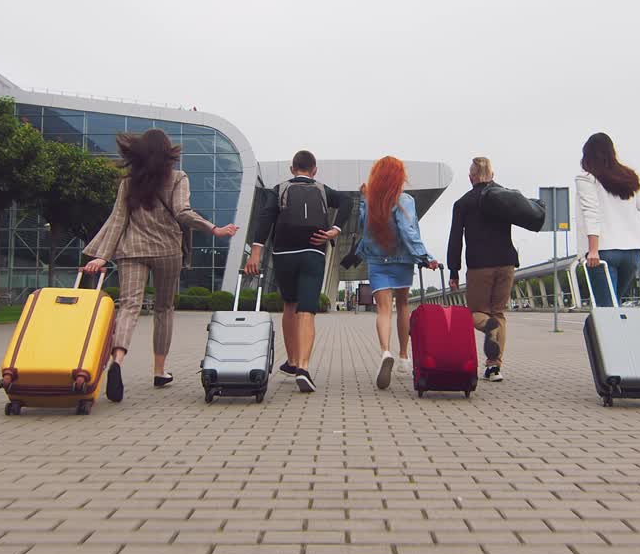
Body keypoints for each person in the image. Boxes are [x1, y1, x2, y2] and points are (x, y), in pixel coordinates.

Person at [84, 129, 239, 401]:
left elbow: (117, 220)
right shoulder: (178, 178)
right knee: (164, 309)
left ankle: (117, 360)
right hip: (168, 251)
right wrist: (212, 228)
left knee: (130, 306)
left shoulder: (128, 184)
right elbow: (182, 212)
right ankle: (159, 370)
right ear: (168, 152)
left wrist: (103, 256)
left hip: (132, 251)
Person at [246, 150, 353, 393]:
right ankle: (303, 367)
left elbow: (265, 219)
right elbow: (347, 201)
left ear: (292, 168)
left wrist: (256, 252)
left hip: (284, 254)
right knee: (307, 310)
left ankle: (292, 361)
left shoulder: (278, 189)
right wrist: (335, 229)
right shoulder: (322, 189)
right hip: (313, 253)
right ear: (314, 170)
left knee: (290, 305)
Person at [356, 156, 438, 390]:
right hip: (402, 260)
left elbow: (363, 227)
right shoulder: (405, 200)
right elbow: (408, 230)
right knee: (402, 306)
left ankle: (384, 352)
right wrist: (425, 256)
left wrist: (364, 199)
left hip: (376, 261)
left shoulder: (370, 200)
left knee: (383, 310)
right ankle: (403, 357)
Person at [575, 132, 640, 307]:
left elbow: (592, 212)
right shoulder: (629, 177)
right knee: (614, 305)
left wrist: (593, 250)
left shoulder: (586, 179)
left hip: (603, 252)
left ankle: (601, 333)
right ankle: (602, 333)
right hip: (632, 253)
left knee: (607, 309)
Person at [446, 157, 518, 382]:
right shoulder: (504, 198)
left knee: (475, 313)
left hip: (480, 266)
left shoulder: (464, 203)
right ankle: (494, 367)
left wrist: (454, 271)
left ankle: (489, 327)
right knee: (499, 312)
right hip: (507, 262)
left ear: (471, 177)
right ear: (492, 175)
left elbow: (455, 239)